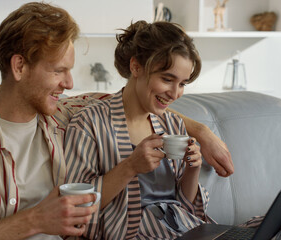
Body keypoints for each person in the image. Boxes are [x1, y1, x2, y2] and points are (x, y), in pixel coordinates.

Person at [0, 2, 234, 240]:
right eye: (58, 70)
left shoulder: (61, 114)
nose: (69, 83)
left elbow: (137, 104)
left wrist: (202, 131)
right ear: (19, 67)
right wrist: (34, 221)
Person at [64, 21, 215, 239]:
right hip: (137, 233)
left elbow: (185, 207)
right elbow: (77, 207)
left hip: (184, 229)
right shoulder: (89, 123)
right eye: (167, 79)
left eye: (182, 84)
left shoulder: (172, 124)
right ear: (136, 67)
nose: (174, 94)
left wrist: (192, 169)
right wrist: (130, 166)